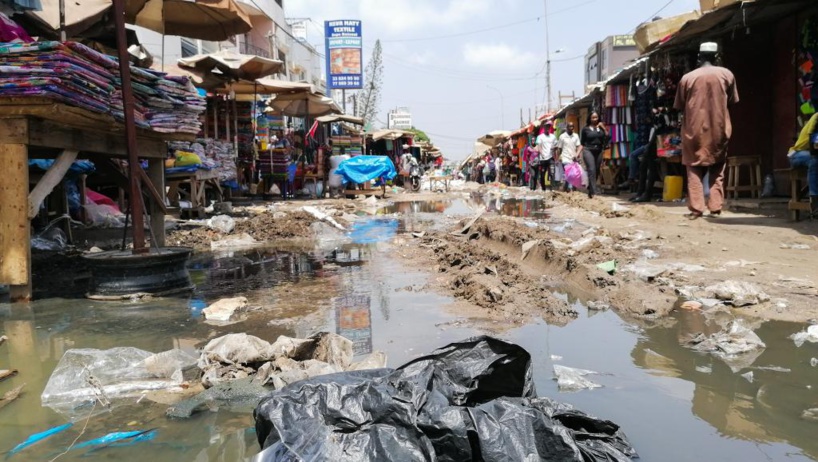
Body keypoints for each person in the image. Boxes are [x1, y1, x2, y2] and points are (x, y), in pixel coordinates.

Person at [673, 42, 740, 219]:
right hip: (719, 128)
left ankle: (697, 208)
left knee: (693, 168)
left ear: (699, 57)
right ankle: (715, 207)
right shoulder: (727, 74)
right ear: (716, 56)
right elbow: (732, 101)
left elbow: (679, 105)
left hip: (693, 130)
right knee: (717, 168)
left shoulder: (687, 78)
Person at [787, 112, 818, 218]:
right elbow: (814, 145)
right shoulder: (817, 118)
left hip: (811, 153)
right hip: (796, 154)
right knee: (815, 160)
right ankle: (815, 203)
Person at [579, 112, 608, 198]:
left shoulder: (601, 128)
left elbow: (607, 136)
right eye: (593, 118)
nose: (595, 119)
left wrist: (603, 128)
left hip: (598, 151)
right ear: (590, 119)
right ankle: (594, 192)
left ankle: (590, 189)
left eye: (596, 117)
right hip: (588, 150)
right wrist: (577, 153)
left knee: (596, 171)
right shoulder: (585, 129)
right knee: (591, 169)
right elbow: (582, 143)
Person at [555, 122, 581, 191]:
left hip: (573, 158)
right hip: (565, 157)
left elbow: (578, 147)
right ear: (567, 128)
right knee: (570, 173)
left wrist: (578, 156)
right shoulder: (562, 136)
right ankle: (570, 188)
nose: (571, 128)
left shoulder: (576, 136)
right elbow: (559, 148)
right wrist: (558, 158)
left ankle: (565, 187)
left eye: (572, 127)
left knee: (571, 174)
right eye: (570, 126)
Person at [534, 123, 556, 191]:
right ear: (544, 127)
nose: (548, 128)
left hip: (551, 157)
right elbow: (539, 146)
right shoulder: (540, 137)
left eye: (549, 127)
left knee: (552, 173)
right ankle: (543, 188)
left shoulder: (553, 137)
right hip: (543, 158)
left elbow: (556, 145)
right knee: (542, 174)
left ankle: (552, 188)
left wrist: (554, 148)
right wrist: (542, 153)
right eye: (546, 127)